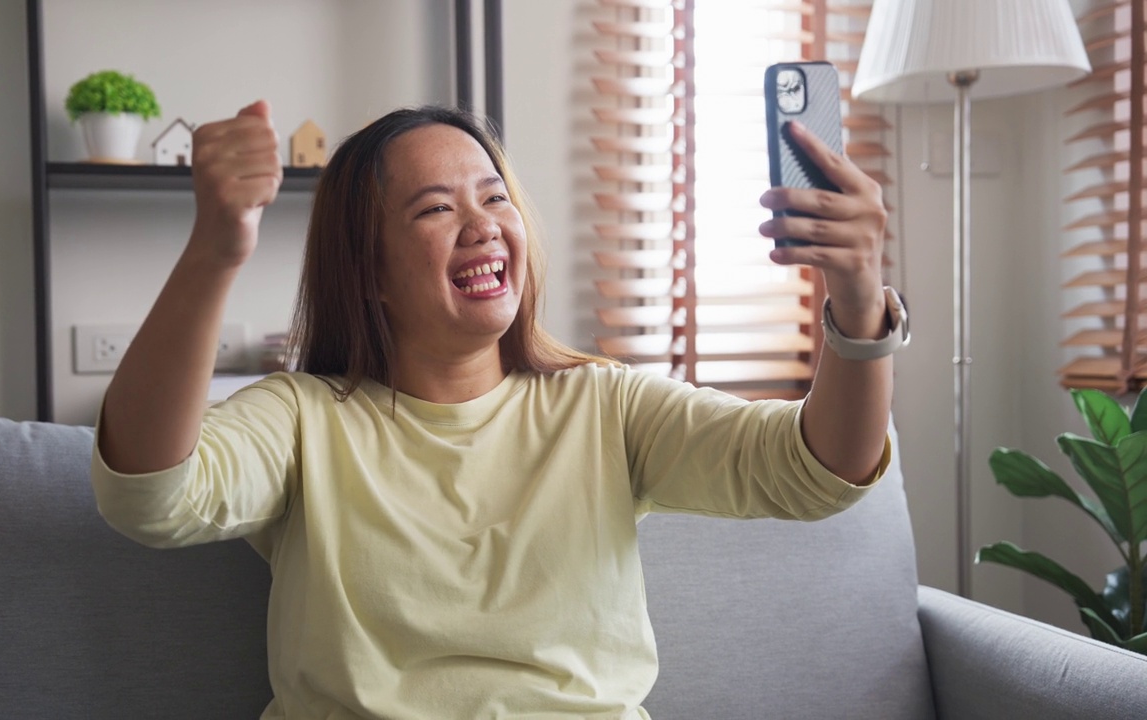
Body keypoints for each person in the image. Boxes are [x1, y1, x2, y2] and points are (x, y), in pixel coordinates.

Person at [91, 98, 902, 719]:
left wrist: (859, 298)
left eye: (495, 198)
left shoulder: (605, 406)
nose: (483, 227)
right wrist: (215, 251)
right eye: (436, 209)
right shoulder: (306, 419)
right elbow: (149, 497)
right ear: (368, 270)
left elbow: (817, 473)